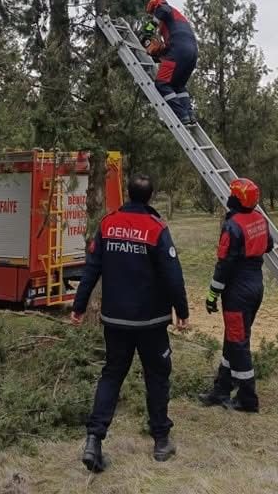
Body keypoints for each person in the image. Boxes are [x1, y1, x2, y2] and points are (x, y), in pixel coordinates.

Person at [71, 173, 190, 472]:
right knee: (157, 377)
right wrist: (182, 311)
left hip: (115, 321)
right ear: (150, 197)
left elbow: (91, 269)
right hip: (151, 323)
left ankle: (94, 439)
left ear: (129, 193)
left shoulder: (108, 224)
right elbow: (172, 275)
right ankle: (161, 441)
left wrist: (78, 307)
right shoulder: (157, 228)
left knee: (111, 375)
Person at [199, 177, 272, 413]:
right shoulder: (260, 219)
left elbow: (224, 264)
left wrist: (212, 294)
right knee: (233, 338)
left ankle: (247, 399)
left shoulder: (232, 226)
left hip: (237, 292)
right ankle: (221, 389)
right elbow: (268, 245)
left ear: (236, 198)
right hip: (255, 286)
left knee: (238, 344)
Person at [145, 0, 198, 124]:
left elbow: (163, 9)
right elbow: (173, 44)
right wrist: (159, 53)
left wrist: (148, 30)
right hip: (192, 53)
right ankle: (189, 114)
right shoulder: (175, 22)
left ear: (154, 7)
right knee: (178, 85)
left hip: (179, 50)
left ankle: (181, 114)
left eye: (153, 12)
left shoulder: (165, 9)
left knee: (161, 83)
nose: (153, 15)